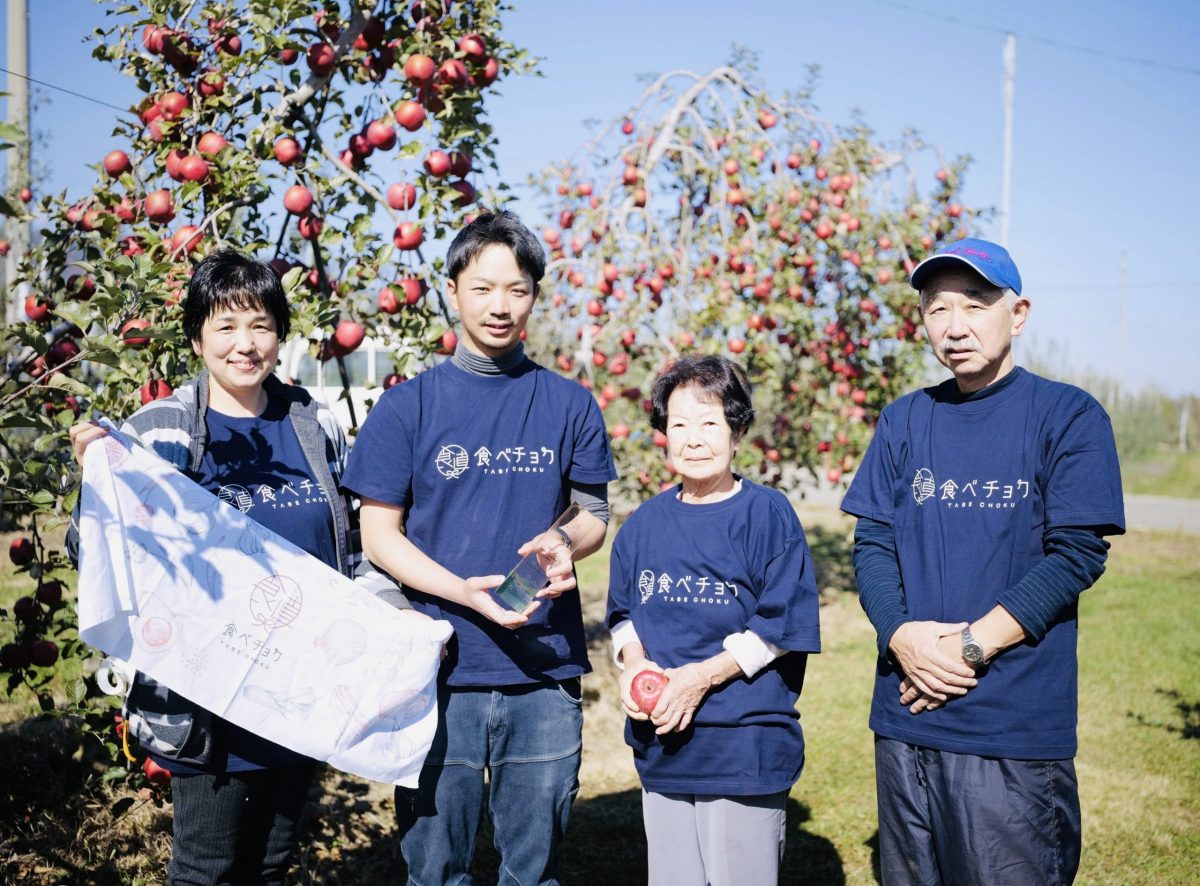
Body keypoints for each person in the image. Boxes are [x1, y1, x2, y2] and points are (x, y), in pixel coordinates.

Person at [339, 210, 617, 885]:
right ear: (454, 290)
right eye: (484, 287)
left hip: (543, 668)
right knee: (437, 870)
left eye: (516, 289)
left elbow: (595, 514)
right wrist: (460, 592)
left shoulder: (568, 402)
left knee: (535, 869)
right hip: (437, 670)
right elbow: (378, 536)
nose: (500, 305)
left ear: (534, 297)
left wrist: (563, 541)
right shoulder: (408, 408)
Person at [840, 238, 1125, 885]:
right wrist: (901, 635)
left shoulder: (1068, 416)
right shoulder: (906, 419)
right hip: (905, 716)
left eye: (975, 304)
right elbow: (874, 540)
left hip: (1010, 727)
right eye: (938, 309)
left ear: (1017, 312)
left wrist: (970, 647)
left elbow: (1076, 554)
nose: (955, 325)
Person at [68, 248, 357, 885]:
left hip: (300, 687)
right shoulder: (161, 433)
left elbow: (351, 541)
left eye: (259, 324)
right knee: (206, 870)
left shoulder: (314, 424)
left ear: (280, 333)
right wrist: (92, 482)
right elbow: (96, 552)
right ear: (197, 333)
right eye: (225, 325)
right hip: (208, 700)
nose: (244, 344)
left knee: (274, 865)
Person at [605, 355, 822, 886]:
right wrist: (634, 667)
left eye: (709, 422)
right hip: (664, 749)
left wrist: (700, 678)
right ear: (663, 432)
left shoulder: (766, 515)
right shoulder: (644, 525)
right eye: (679, 424)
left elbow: (780, 625)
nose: (694, 439)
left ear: (737, 429)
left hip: (742, 745)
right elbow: (622, 616)